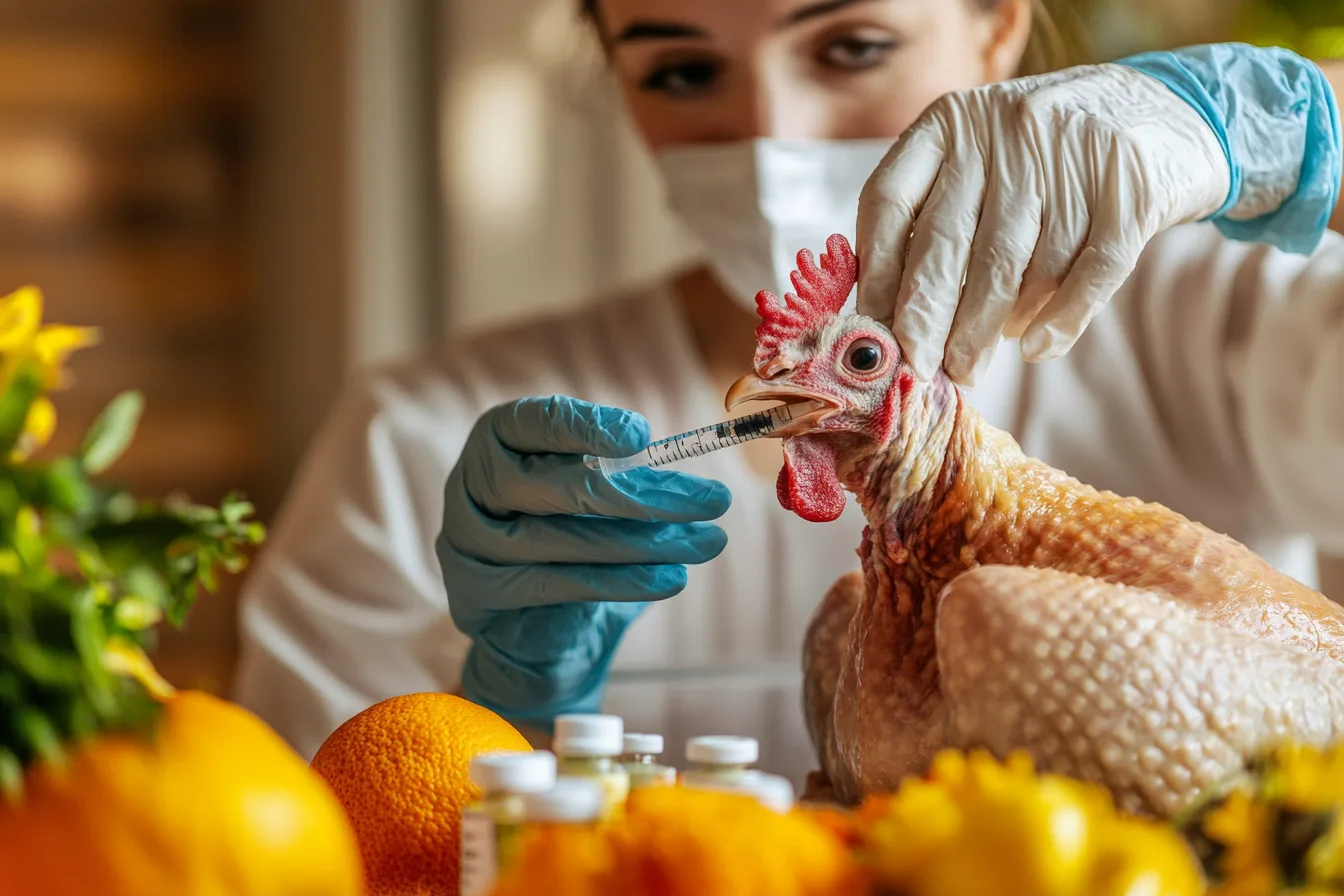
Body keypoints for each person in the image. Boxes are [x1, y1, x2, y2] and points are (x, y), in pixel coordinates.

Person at [230, 0, 1344, 787]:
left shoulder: (1220, 313)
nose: (772, 134)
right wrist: (487, 718)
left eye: (852, 44)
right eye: (681, 69)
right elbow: (277, 850)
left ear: (998, 24)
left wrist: (1290, 129)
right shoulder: (422, 432)